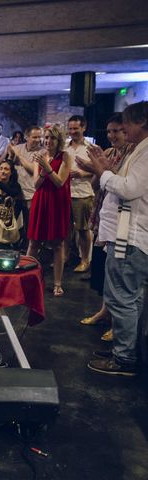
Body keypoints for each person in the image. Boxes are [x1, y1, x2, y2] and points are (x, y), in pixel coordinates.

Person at [76, 101, 148, 376]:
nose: (123, 129)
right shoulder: (138, 150)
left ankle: (124, 358)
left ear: (140, 122)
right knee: (130, 297)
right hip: (126, 231)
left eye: (126, 124)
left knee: (122, 298)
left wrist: (104, 171)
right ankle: (125, 347)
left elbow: (129, 189)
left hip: (132, 234)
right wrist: (102, 169)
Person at [78, 114, 134, 341]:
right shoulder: (111, 153)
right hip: (104, 213)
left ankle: (118, 325)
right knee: (104, 269)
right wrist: (95, 169)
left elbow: (123, 186)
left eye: (117, 131)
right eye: (109, 131)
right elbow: (96, 184)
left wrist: (101, 169)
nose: (112, 136)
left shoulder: (132, 155)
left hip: (123, 221)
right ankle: (104, 311)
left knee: (119, 277)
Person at [26, 125, 72, 297]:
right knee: (33, 242)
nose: (47, 141)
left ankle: (57, 283)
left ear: (58, 140)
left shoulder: (65, 156)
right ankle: (26, 277)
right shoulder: (39, 156)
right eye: (46, 137)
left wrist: (48, 167)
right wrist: (44, 169)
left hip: (57, 202)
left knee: (58, 244)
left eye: (51, 138)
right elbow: (36, 184)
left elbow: (60, 182)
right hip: (41, 200)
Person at [66, 115, 95, 273]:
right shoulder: (65, 148)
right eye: (70, 128)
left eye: (76, 128)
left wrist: (82, 174)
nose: (72, 131)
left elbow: (100, 171)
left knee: (83, 230)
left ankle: (85, 260)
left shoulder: (91, 148)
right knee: (66, 229)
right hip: (65, 194)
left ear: (83, 128)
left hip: (83, 193)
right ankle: (66, 256)